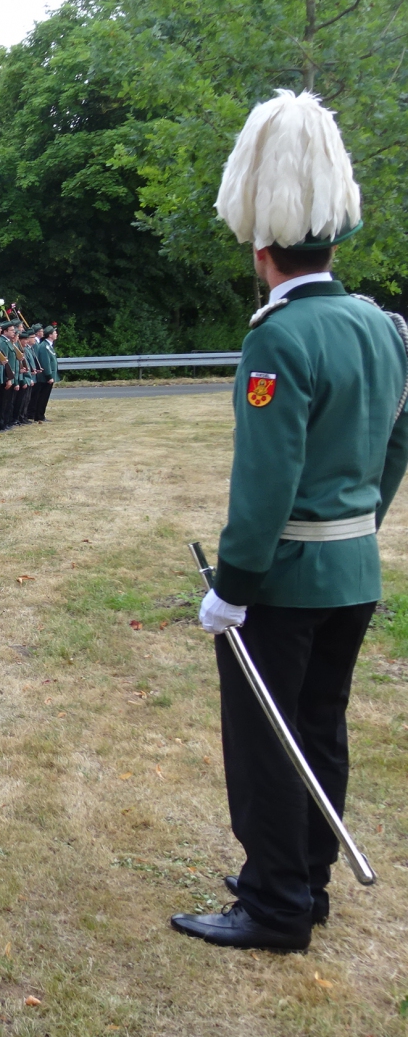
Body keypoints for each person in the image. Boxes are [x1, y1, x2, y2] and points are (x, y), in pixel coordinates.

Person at [179, 89, 408, 952]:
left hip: (283, 582)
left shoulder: (279, 338)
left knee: (267, 743)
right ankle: (306, 881)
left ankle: (274, 904)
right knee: (320, 729)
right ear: (332, 238)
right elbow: (396, 440)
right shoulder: (381, 327)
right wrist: (358, 525)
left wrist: (233, 586)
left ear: (261, 245)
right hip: (353, 571)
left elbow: (266, 484)